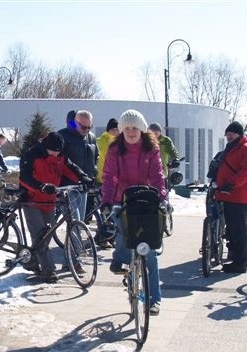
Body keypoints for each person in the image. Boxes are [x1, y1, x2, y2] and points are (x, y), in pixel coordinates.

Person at [101, 109, 166, 315]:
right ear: (121, 131)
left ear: (142, 129)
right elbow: (109, 176)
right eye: (126, 128)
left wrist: (161, 197)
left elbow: (157, 175)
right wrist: (107, 201)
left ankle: (154, 299)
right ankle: (120, 259)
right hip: (123, 200)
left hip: (146, 201)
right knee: (123, 235)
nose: (131, 132)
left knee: (151, 255)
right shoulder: (115, 149)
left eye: (134, 128)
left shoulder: (151, 148)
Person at [19, 132, 92, 283]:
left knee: (48, 234)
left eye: (58, 151)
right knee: (40, 234)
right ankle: (48, 270)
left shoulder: (60, 155)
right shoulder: (32, 154)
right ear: (46, 146)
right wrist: (41, 187)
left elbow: (70, 168)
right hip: (32, 200)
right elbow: (24, 178)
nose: (56, 153)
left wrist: (84, 177)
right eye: (53, 150)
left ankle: (32, 260)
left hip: (49, 200)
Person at [214, 121, 247, 273]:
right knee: (233, 229)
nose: (229, 136)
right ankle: (235, 258)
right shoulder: (231, 148)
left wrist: (231, 183)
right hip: (228, 195)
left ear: (239, 134)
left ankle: (241, 262)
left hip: (238, 196)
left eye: (231, 133)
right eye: (227, 134)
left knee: (239, 230)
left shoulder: (246, 149)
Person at [58, 110, 98, 222]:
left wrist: (93, 172)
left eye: (89, 127)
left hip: (84, 184)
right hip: (68, 185)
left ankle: (74, 238)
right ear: (75, 122)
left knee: (80, 221)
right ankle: (75, 238)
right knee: (75, 219)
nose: (87, 130)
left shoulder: (91, 137)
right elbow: (59, 160)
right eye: (84, 127)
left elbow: (96, 156)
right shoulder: (62, 136)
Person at [96, 118, 119, 184]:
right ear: (108, 131)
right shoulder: (98, 141)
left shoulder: (121, 143)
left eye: (117, 130)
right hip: (100, 179)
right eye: (112, 130)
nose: (115, 132)